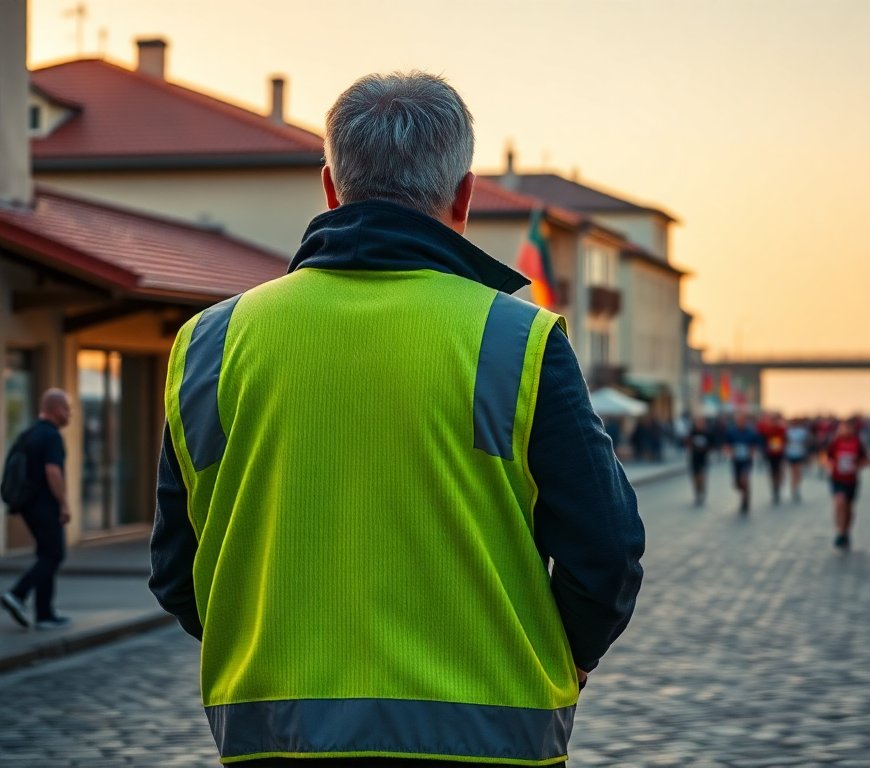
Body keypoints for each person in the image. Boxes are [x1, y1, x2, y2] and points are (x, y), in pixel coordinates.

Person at [148, 72, 645, 767]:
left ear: (331, 187)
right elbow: (607, 551)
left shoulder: (210, 343)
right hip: (488, 744)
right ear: (463, 197)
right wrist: (568, 657)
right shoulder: (515, 340)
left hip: (274, 742)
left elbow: (178, 570)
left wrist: (272, 652)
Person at [2, 389, 73, 631]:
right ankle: (17, 594)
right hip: (46, 505)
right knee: (54, 555)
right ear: (56, 409)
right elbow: (53, 472)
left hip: (27, 506)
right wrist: (63, 503)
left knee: (46, 554)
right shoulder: (51, 436)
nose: (69, 415)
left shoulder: (29, 433)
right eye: (67, 409)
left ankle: (44, 615)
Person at [826, 417, 868, 550]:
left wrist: (857, 466)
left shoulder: (857, 443)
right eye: (843, 428)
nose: (845, 430)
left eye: (848, 428)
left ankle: (846, 531)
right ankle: (839, 531)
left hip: (851, 480)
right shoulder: (835, 442)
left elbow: (865, 459)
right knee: (840, 503)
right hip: (837, 479)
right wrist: (831, 465)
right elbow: (827, 457)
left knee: (849, 507)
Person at [724, 411, 760, 514]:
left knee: (744, 479)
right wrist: (730, 452)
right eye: (739, 420)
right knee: (737, 483)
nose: (741, 422)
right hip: (736, 460)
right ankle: (744, 492)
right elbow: (727, 445)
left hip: (746, 461)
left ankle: (745, 501)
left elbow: (755, 445)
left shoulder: (751, 432)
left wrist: (751, 453)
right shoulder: (731, 431)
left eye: (743, 420)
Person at [760, 413, 789, 505]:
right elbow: (763, 436)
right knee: (772, 472)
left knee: (779, 471)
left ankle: (778, 485)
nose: (774, 422)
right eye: (773, 420)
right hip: (771, 453)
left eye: (775, 420)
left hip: (779, 453)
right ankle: (774, 489)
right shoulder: (768, 428)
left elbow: (786, 439)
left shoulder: (782, 429)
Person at [687, 415, 714, 506]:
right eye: (697, 422)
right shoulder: (692, 432)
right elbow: (688, 442)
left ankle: (702, 491)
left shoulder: (707, 433)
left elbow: (712, 445)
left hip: (703, 458)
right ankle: (697, 493)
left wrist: (705, 449)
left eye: (701, 422)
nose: (699, 424)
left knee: (701, 476)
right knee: (695, 478)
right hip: (694, 458)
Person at [784, 417, 811, 503]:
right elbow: (785, 442)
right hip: (791, 453)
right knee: (794, 473)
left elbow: (806, 442)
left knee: (798, 472)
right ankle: (794, 488)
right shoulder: (788, 431)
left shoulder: (802, 432)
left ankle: (796, 488)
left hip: (799, 453)